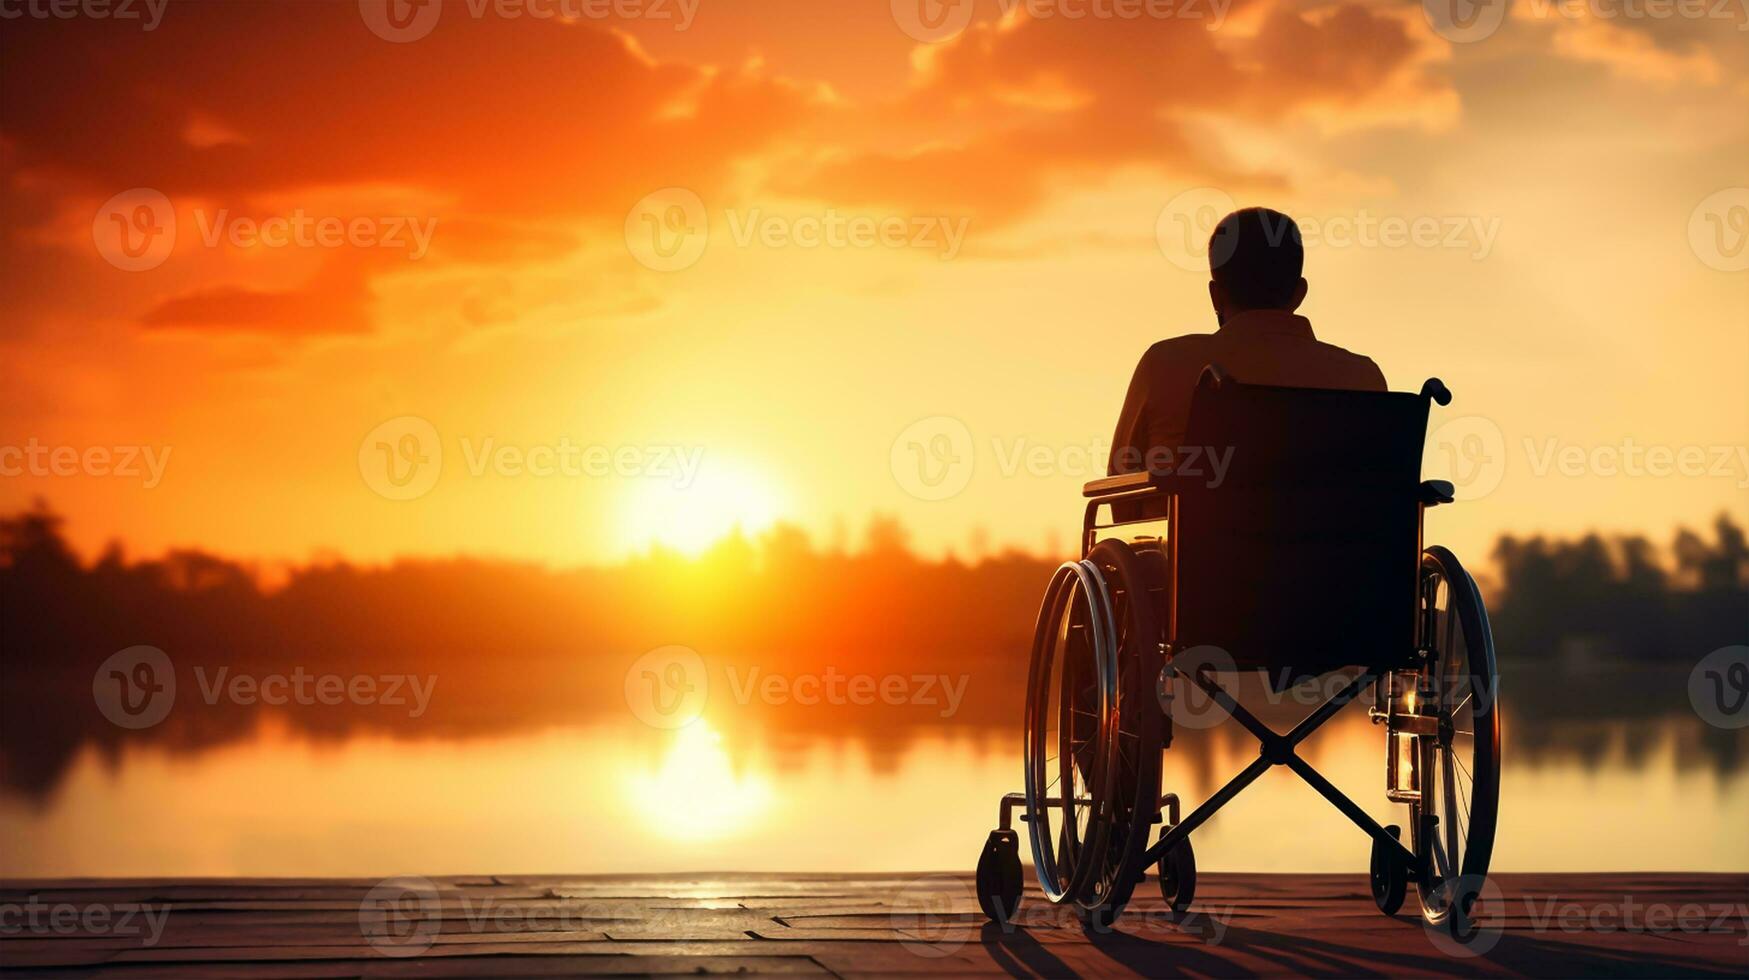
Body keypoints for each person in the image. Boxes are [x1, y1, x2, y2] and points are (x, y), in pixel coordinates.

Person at [1108, 207, 1386, 477]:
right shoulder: (1363, 379)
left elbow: (1120, 482)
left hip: (1197, 525)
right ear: (1299, 294)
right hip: (1336, 526)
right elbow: (1386, 487)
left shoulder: (1165, 365)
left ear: (1216, 296)